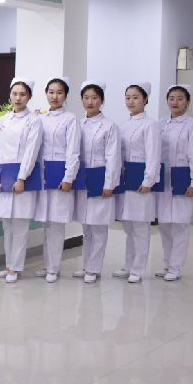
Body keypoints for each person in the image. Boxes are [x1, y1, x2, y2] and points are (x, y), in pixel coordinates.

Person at [0, 78, 42, 283]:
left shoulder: (34, 121)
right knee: (7, 225)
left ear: (29, 97)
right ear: (10, 95)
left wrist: (21, 177)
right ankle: (8, 264)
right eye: (14, 94)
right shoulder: (3, 120)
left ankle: (15, 267)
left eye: (22, 94)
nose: (18, 98)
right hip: (3, 176)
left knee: (20, 225)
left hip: (22, 178)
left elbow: (31, 151)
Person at [155, 84, 193, 281]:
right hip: (164, 179)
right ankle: (167, 264)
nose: (175, 102)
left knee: (180, 225)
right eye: (171, 98)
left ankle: (176, 268)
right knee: (164, 225)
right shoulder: (161, 124)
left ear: (187, 102)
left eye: (180, 99)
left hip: (183, 177)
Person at [73, 81, 121, 284]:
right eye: (86, 98)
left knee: (99, 226)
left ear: (101, 100)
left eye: (94, 98)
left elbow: (113, 157)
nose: (90, 102)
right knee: (86, 226)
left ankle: (94, 268)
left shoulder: (109, 126)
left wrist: (109, 184)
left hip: (100, 177)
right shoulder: (78, 124)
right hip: (83, 177)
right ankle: (87, 265)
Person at [113, 82, 161, 283]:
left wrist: (149, 180)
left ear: (145, 100)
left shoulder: (150, 124)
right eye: (128, 97)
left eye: (135, 97)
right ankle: (129, 264)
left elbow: (153, 154)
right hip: (125, 178)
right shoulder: (123, 125)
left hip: (141, 178)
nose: (131, 101)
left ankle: (138, 269)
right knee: (128, 225)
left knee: (140, 226)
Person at [34, 77, 80, 283]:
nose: (55, 96)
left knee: (57, 223)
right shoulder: (40, 119)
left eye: (59, 92)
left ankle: (54, 267)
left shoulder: (70, 119)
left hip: (60, 174)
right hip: (43, 174)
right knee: (46, 222)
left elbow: (73, 151)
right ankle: (47, 265)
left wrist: (69, 176)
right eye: (51, 92)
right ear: (46, 94)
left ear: (65, 96)